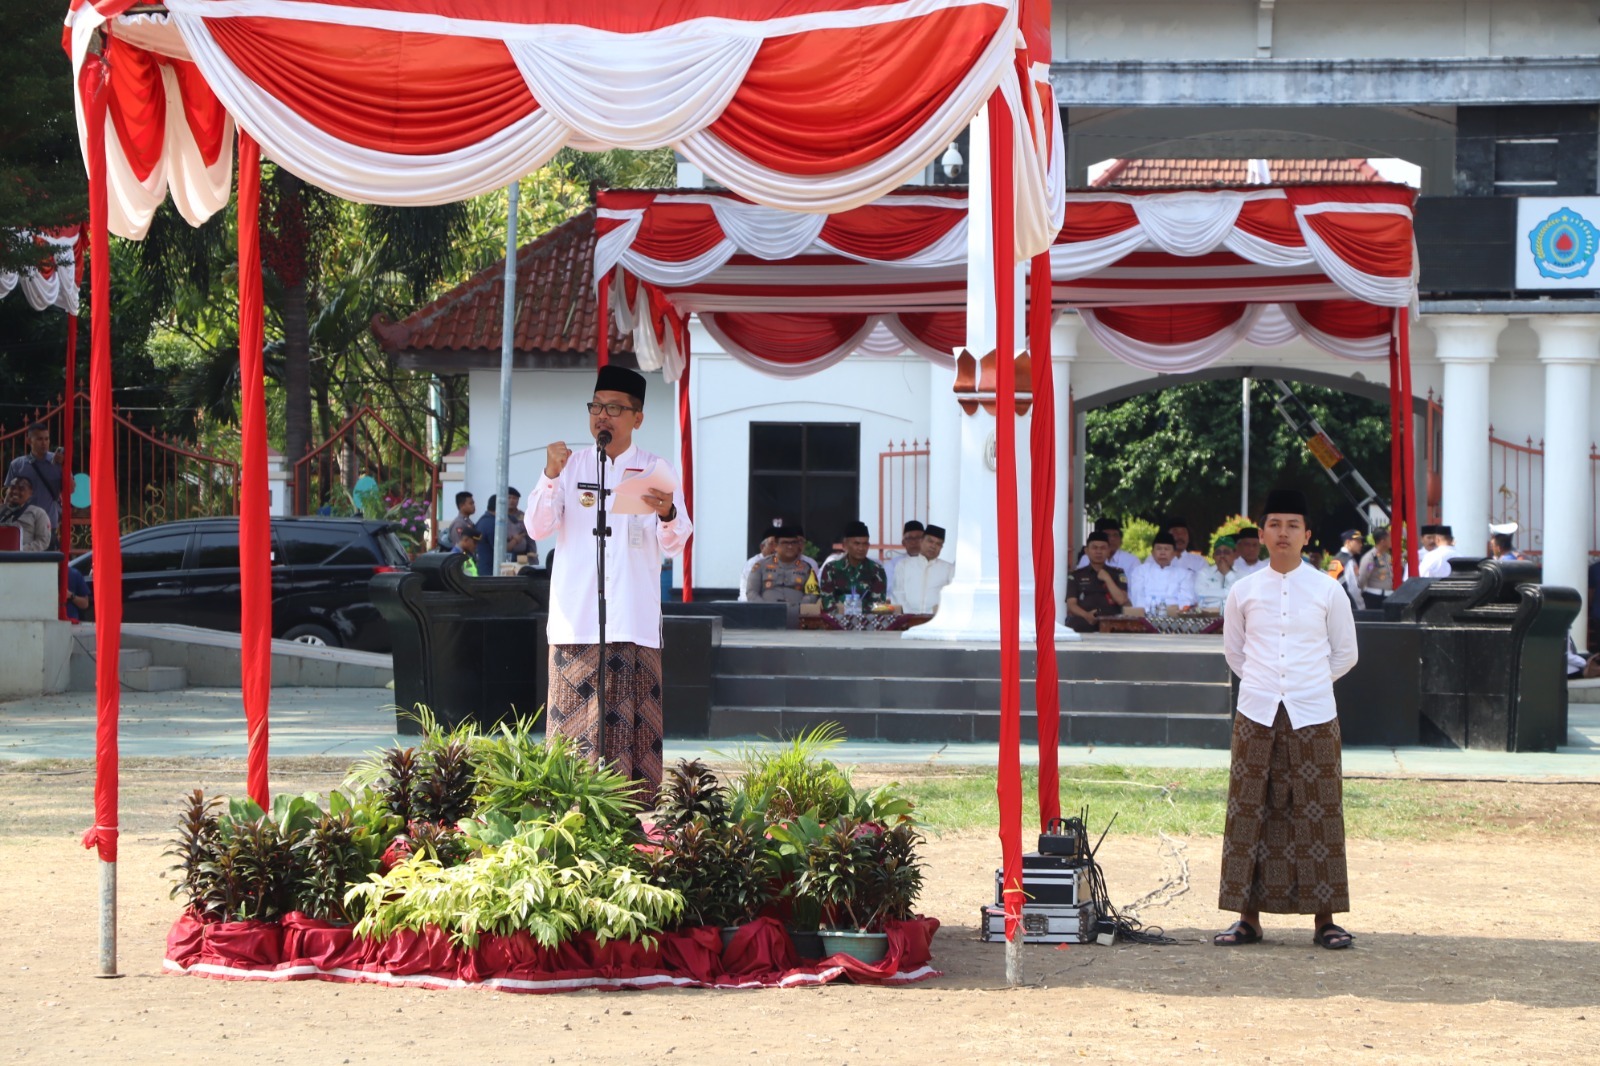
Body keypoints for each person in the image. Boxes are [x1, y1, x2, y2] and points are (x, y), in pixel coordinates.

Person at [527, 365, 691, 796]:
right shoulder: (569, 466)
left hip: (633, 624)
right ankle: (573, 820)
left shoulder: (655, 470)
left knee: (634, 737)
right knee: (573, 743)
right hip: (577, 622)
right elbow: (537, 528)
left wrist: (667, 513)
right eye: (596, 406)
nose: (602, 416)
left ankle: (637, 823)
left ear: (637, 418)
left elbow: (676, 542)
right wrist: (548, 477)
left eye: (614, 408)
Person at [1215, 486, 1358, 952]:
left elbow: (1345, 654)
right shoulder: (1243, 590)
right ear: (1261, 532)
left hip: (1314, 713)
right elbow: (1235, 653)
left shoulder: (1327, 589)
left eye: (1292, 525)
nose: (1282, 533)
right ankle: (1247, 918)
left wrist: (1306, 683)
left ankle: (1325, 920)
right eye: (1274, 524)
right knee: (1249, 810)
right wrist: (1268, 685)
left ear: (1306, 535)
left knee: (1317, 814)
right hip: (1256, 712)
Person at [6, 422, 69, 534]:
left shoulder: (58, 463)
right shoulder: (17, 465)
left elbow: (71, 489)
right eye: (40, 439)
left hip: (48, 523)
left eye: (47, 439)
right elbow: (9, 496)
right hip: (23, 524)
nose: (44, 443)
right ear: (29, 441)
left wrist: (65, 467)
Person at [1065, 530, 1129, 632]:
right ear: (1086, 551)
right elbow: (1071, 604)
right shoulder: (1076, 575)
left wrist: (1107, 579)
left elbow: (1121, 600)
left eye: (1103, 548)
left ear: (1108, 551)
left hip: (1111, 627)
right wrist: (1087, 616)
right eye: (1094, 548)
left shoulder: (1117, 574)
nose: (1098, 551)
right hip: (1082, 625)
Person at [819, 520, 887, 611]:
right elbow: (827, 602)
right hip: (836, 621)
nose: (861, 548)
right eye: (857, 543)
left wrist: (854, 609)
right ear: (845, 545)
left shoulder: (877, 570)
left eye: (865, 544)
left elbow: (878, 605)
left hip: (868, 622)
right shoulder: (831, 569)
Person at [746, 525, 815, 611]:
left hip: (796, 615)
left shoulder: (806, 568)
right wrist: (764, 608)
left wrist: (799, 607)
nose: (790, 546)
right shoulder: (761, 565)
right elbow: (751, 592)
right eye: (785, 543)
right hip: (766, 614)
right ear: (775, 545)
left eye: (793, 543)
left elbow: (813, 594)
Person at [893, 522, 954, 614]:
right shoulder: (903, 565)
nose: (933, 546)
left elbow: (951, 597)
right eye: (930, 541)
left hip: (936, 619)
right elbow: (898, 594)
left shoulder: (948, 569)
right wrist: (910, 616)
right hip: (907, 619)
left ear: (941, 548)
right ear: (921, 541)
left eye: (938, 544)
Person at [1128, 532, 1196, 612]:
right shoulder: (1140, 571)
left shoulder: (1184, 574)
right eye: (1159, 549)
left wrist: (1171, 613)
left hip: (1174, 618)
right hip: (1145, 617)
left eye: (1166, 549)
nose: (1162, 553)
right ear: (1152, 553)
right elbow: (1137, 598)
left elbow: (1186, 601)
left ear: (1174, 553)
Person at [474, 488, 526, 575]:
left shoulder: (483, 520)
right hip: (490, 572)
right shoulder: (492, 524)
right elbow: (500, 550)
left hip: (485, 569)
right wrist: (515, 540)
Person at [0, 477, 53, 552]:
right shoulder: (1, 509)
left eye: (21, 489)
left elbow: (43, 541)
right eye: (12, 488)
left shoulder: (38, 513)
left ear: (30, 493)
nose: (15, 491)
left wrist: (20, 550)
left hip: (23, 559)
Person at [1194, 535, 1240, 614]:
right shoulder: (1204, 573)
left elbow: (1240, 595)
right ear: (1213, 556)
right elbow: (1200, 594)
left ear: (1235, 555)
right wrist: (1228, 593)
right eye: (1218, 552)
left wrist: (1227, 573)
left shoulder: (1244, 575)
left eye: (1226, 552)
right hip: (1207, 618)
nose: (1222, 556)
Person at [1355, 527, 1394, 609]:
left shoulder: (1387, 557)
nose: (1391, 540)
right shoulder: (1371, 558)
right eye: (1389, 538)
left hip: (1387, 597)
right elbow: (1362, 579)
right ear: (1382, 541)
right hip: (1374, 598)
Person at [882, 520, 925, 593]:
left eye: (918, 538)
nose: (914, 542)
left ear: (925, 541)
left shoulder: (933, 564)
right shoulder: (892, 565)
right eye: (910, 539)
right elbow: (889, 592)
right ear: (903, 543)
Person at [737, 532, 777, 602]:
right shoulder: (753, 563)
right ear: (762, 547)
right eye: (771, 544)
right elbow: (751, 592)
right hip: (750, 605)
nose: (775, 548)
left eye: (777, 544)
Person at [1335, 528, 1365, 608]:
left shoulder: (1337, 558)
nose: (1361, 544)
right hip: (1348, 604)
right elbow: (1353, 588)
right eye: (1357, 541)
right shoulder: (1348, 561)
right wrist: (1360, 605)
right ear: (1348, 542)